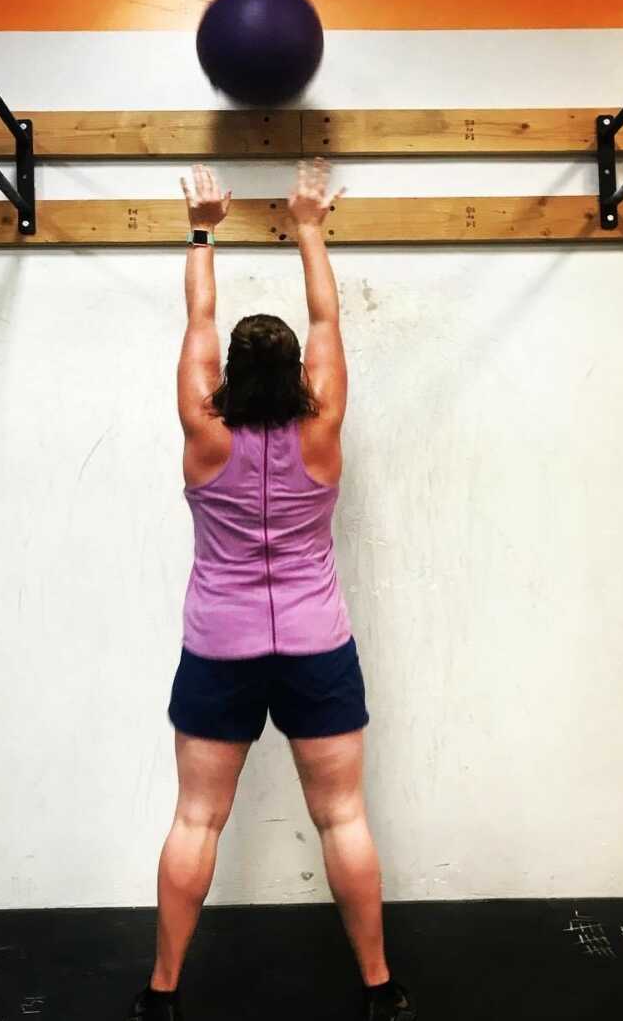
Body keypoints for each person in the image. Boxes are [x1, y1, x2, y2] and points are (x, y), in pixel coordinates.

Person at [129, 159, 415, 1021]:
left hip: (222, 647)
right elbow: (328, 316)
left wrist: (204, 227)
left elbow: (198, 319)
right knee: (342, 819)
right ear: (297, 374)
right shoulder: (321, 429)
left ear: (228, 375)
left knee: (195, 822)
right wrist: (309, 223)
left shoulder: (201, 429)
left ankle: (162, 996)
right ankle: (379, 989)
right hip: (315, 645)